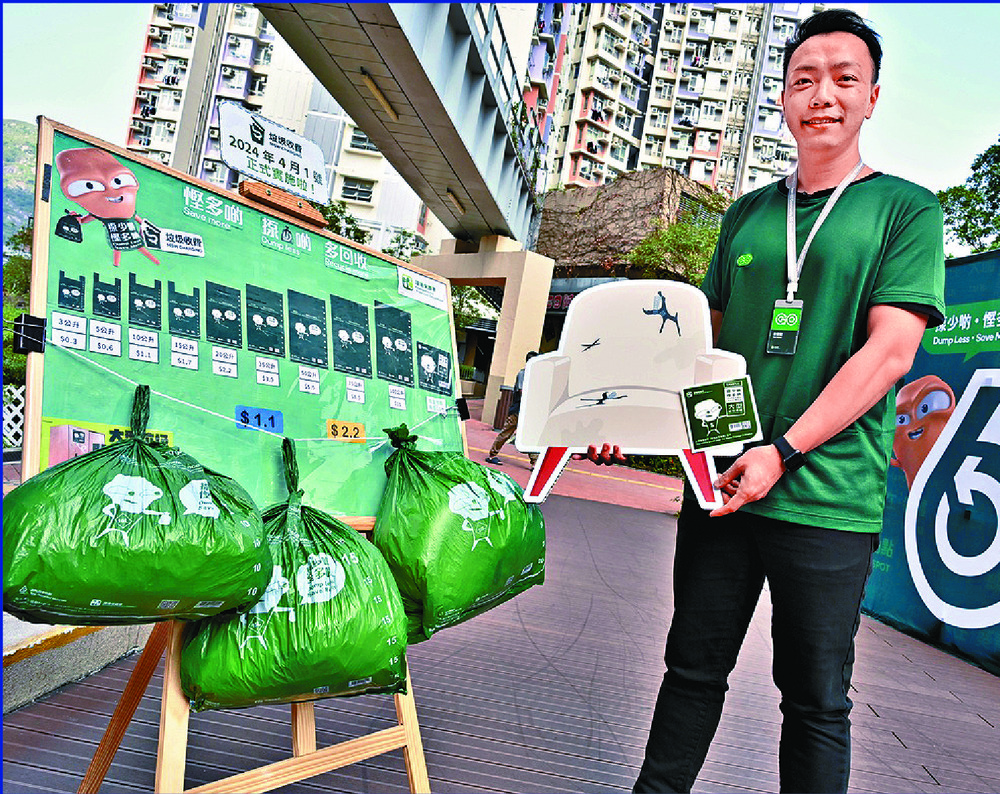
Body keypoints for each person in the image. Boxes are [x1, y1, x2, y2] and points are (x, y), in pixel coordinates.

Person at [588, 10, 946, 793]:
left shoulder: (907, 210)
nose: (822, 95)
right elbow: (698, 348)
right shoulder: (748, 214)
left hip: (827, 497)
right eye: (803, 80)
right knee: (691, 671)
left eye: (844, 79)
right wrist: (622, 418)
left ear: (872, 98)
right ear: (782, 99)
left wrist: (782, 451)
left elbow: (889, 353)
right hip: (721, 485)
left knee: (815, 702)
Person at [485, 351, 538, 466]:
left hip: (527, 412)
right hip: (517, 411)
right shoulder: (523, 374)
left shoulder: (535, 376)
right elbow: (522, 392)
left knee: (530, 437)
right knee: (506, 433)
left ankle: (534, 463)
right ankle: (492, 455)